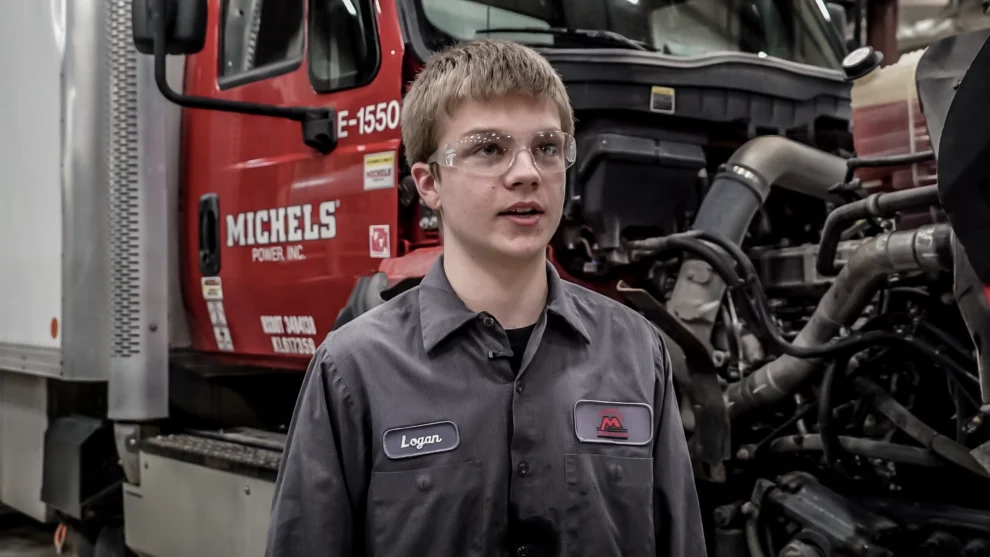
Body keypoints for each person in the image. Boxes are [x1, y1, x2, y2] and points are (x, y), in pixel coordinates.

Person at [264, 38, 707, 557]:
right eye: (489, 149)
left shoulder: (637, 353)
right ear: (429, 183)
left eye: (547, 148)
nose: (527, 173)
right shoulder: (353, 370)